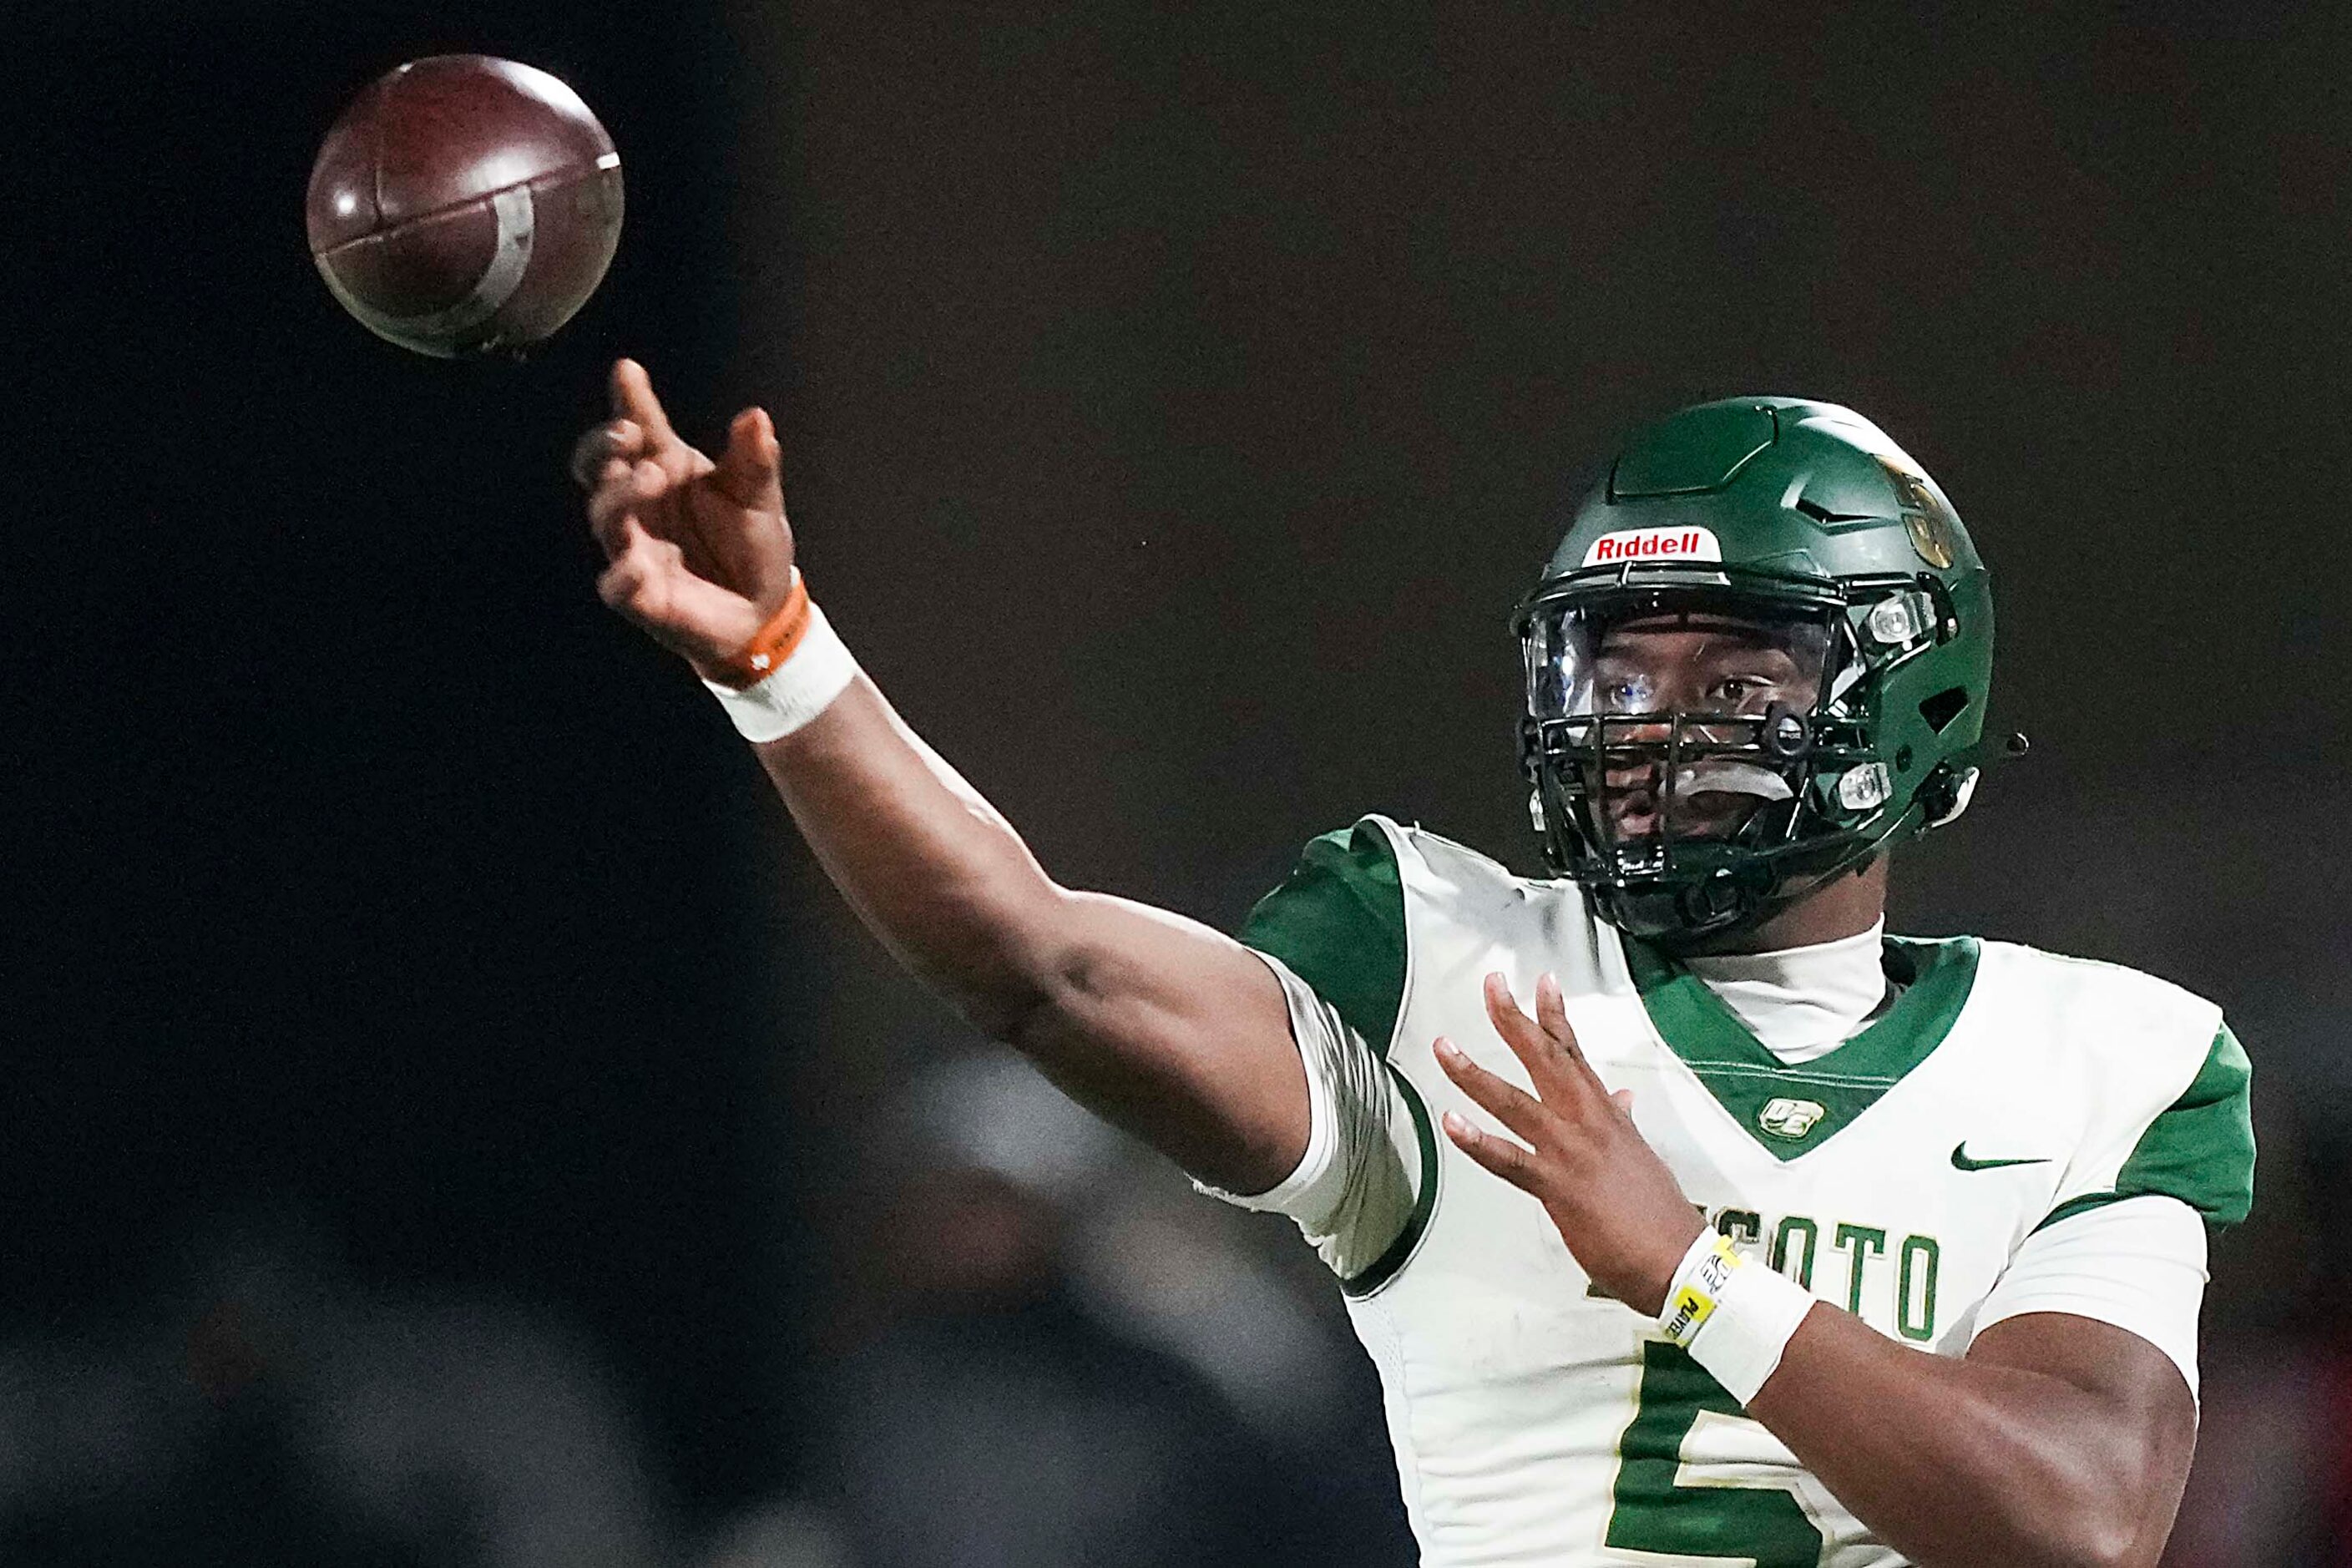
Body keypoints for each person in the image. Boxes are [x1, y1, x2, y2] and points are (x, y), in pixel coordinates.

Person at [571, 369, 2253, 1568]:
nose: (1650, 715)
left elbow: (2074, 1517)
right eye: (1614, 663)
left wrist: (1691, 1275)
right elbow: (1041, 969)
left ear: (1913, 693)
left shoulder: (2102, 1059)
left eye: (1731, 659)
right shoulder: (1441, 958)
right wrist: (787, 667)